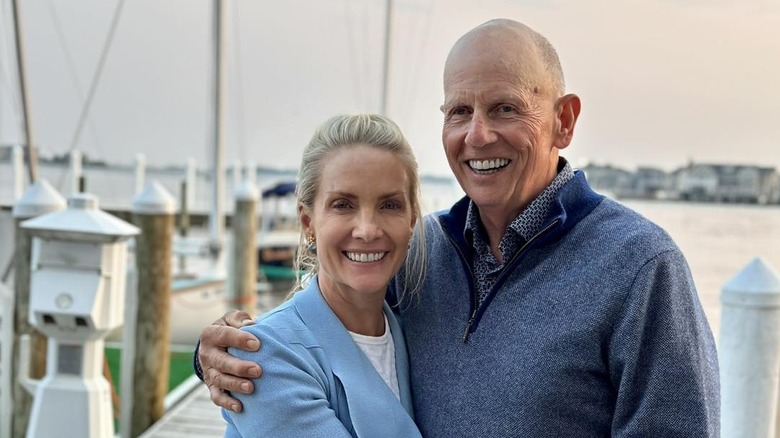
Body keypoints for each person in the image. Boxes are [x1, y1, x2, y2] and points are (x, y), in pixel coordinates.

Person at [198, 19, 720, 437]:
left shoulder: (640, 267)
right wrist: (219, 353)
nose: (478, 134)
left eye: (505, 108)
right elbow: (322, 323)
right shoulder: (420, 252)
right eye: (460, 111)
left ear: (563, 120)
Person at [221, 114, 426, 437]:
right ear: (308, 222)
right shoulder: (265, 355)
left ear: (411, 220)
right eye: (343, 205)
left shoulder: (410, 334)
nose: (367, 230)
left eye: (389, 205)